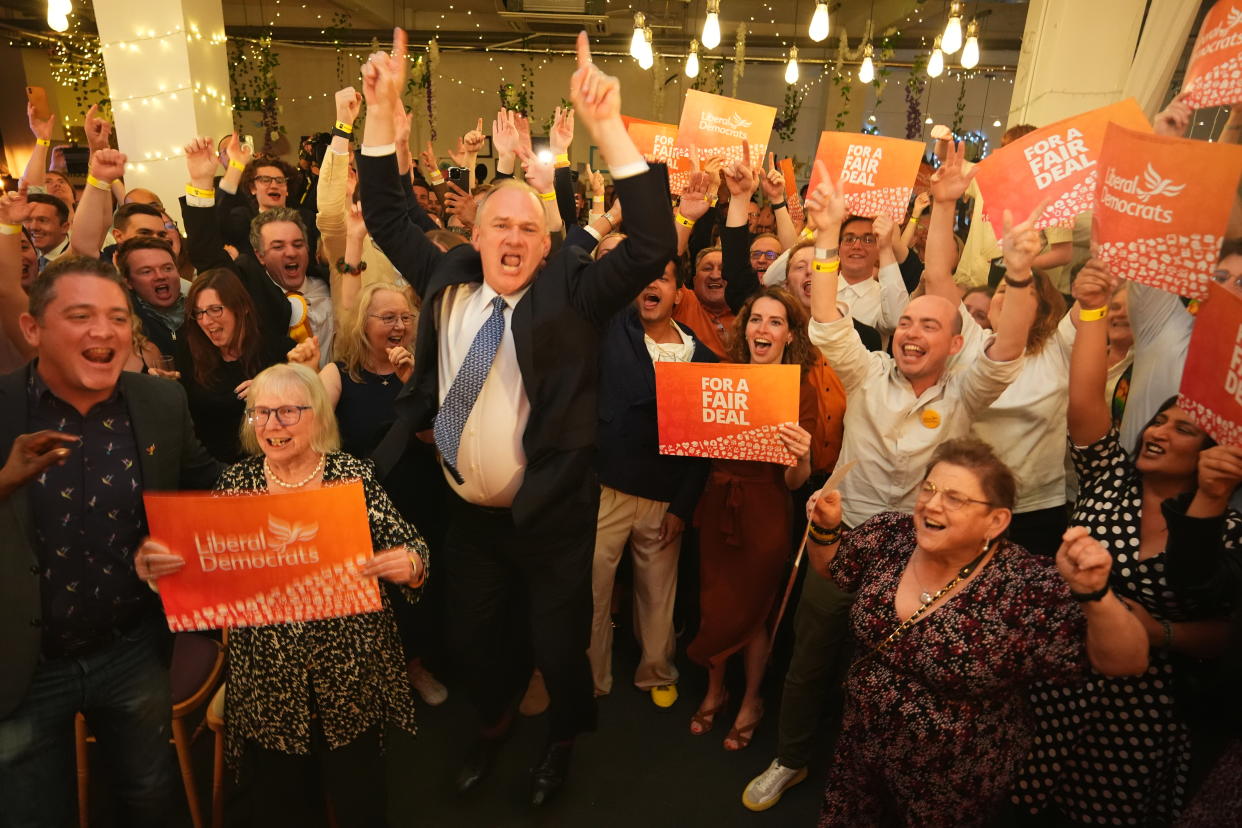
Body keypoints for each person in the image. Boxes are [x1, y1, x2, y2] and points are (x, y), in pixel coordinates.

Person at [357, 29, 676, 805]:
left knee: (559, 648)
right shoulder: (447, 278)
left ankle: (559, 744)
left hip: (555, 516)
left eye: (530, 228)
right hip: (468, 516)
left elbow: (654, 241)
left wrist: (607, 132)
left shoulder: (575, 296)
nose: (514, 237)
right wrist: (380, 111)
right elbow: (385, 209)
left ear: (547, 244)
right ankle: (493, 726)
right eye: (500, 224)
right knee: (474, 641)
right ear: (473, 236)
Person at [743, 150, 1038, 811]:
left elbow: (1011, 345)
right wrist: (823, 239)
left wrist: (1018, 272)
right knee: (811, 655)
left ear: (954, 344)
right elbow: (823, 320)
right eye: (906, 321)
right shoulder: (867, 372)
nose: (910, 332)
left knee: (882, 676)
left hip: (919, 554)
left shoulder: (968, 390)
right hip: (840, 538)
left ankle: (864, 777)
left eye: (929, 325)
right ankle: (789, 759)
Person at [135, 362, 428, 827]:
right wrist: (160, 571)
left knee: (360, 798)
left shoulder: (351, 476)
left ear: (318, 418)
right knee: (284, 804)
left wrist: (409, 564)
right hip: (269, 679)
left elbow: (412, 546)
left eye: (288, 412)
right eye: (262, 413)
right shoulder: (237, 485)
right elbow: (204, 571)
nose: (273, 425)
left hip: (347, 670)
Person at [805, 438, 1147, 826]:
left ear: (996, 521)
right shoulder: (890, 535)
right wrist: (825, 530)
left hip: (953, 778)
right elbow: (834, 569)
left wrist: (1096, 595)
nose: (931, 504)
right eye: (929, 489)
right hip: (860, 746)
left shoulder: (1023, 585)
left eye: (955, 498)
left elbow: (1128, 662)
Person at [1013, 257, 1242, 826]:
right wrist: (1091, 307)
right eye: (1158, 421)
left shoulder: (1224, 527)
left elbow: (1222, 632)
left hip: (1141, 710)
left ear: (1211, 453)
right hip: (1058, 678)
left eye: (1183, 428)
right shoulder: (1110, 473)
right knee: (1019, 800)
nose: (1159, 431)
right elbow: (1086, 397)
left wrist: (1155, 631)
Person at [0, 256, 220, 828]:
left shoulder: (160, 402)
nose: (104, 332)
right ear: (33, 329)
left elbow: (205, 490)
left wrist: (299, 472)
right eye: (81, 316)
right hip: (23, 665)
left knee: (149, 795)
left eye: (118, 318)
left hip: (133, 649)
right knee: (30, 810)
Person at [686, 286, 815, 751]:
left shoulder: (801, 388)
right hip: (717, 504)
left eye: (775, 322)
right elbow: (694, 449)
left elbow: (797, 483)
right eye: (757, 319)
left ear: (788, 335)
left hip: (767, 512)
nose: (764, 328)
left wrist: (800, 458)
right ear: (746, 330)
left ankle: (752, 701)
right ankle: (715, 691)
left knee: (755, 612)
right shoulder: (720, 376)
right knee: (714, 602)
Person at [590, 259, 715, 707]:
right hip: (608, 489)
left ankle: (657, 670)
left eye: (661, 276)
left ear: (679, 293)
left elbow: (705, 448)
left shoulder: (705, 359)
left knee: (660, 593)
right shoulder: (612, 330)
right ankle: (592, 676)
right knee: (594, 588)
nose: (650, 283)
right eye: (642, 275)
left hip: (666, 498)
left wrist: (683, 507)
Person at [181, 143, 335, 367]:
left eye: (298, 244)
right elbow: (206, 253)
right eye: (278, 246)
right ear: (259, 255)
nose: (291, 252)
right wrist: (201, 183)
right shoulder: (247, 288)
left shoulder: (327, 282)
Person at [177, 268, 293, 463]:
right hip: (211, 473)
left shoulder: (280, 351)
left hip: (274, 466)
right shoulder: (189, 357)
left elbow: (308, 411)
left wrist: (271, 387)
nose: (206, 321)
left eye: (215, 309)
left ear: (242, 307)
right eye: (199, 313)